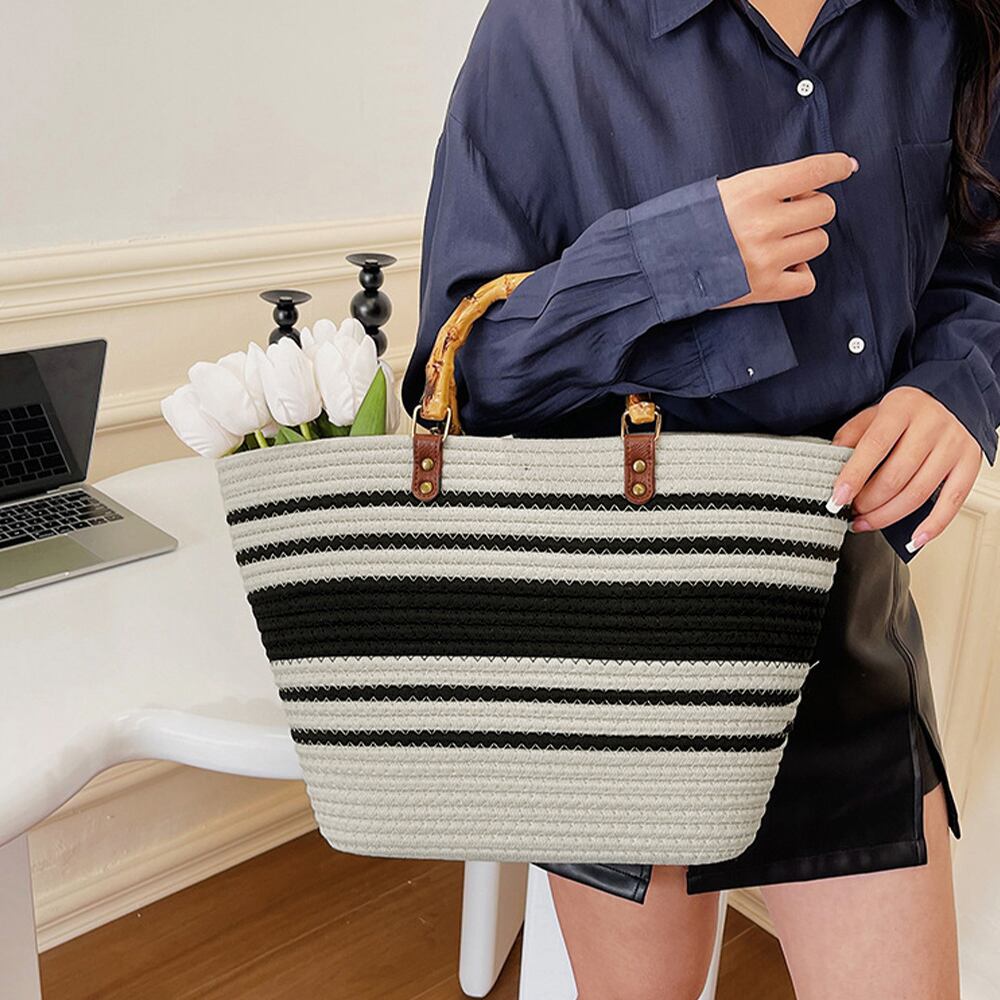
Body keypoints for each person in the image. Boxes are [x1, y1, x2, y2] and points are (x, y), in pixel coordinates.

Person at [401, 1, 1000, 996]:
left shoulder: (950, 19)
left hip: (843, 615)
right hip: (613, 638)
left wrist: (957, 387)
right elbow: (468, 369)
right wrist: (669, 261)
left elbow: (978, 263)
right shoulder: (548, 26)